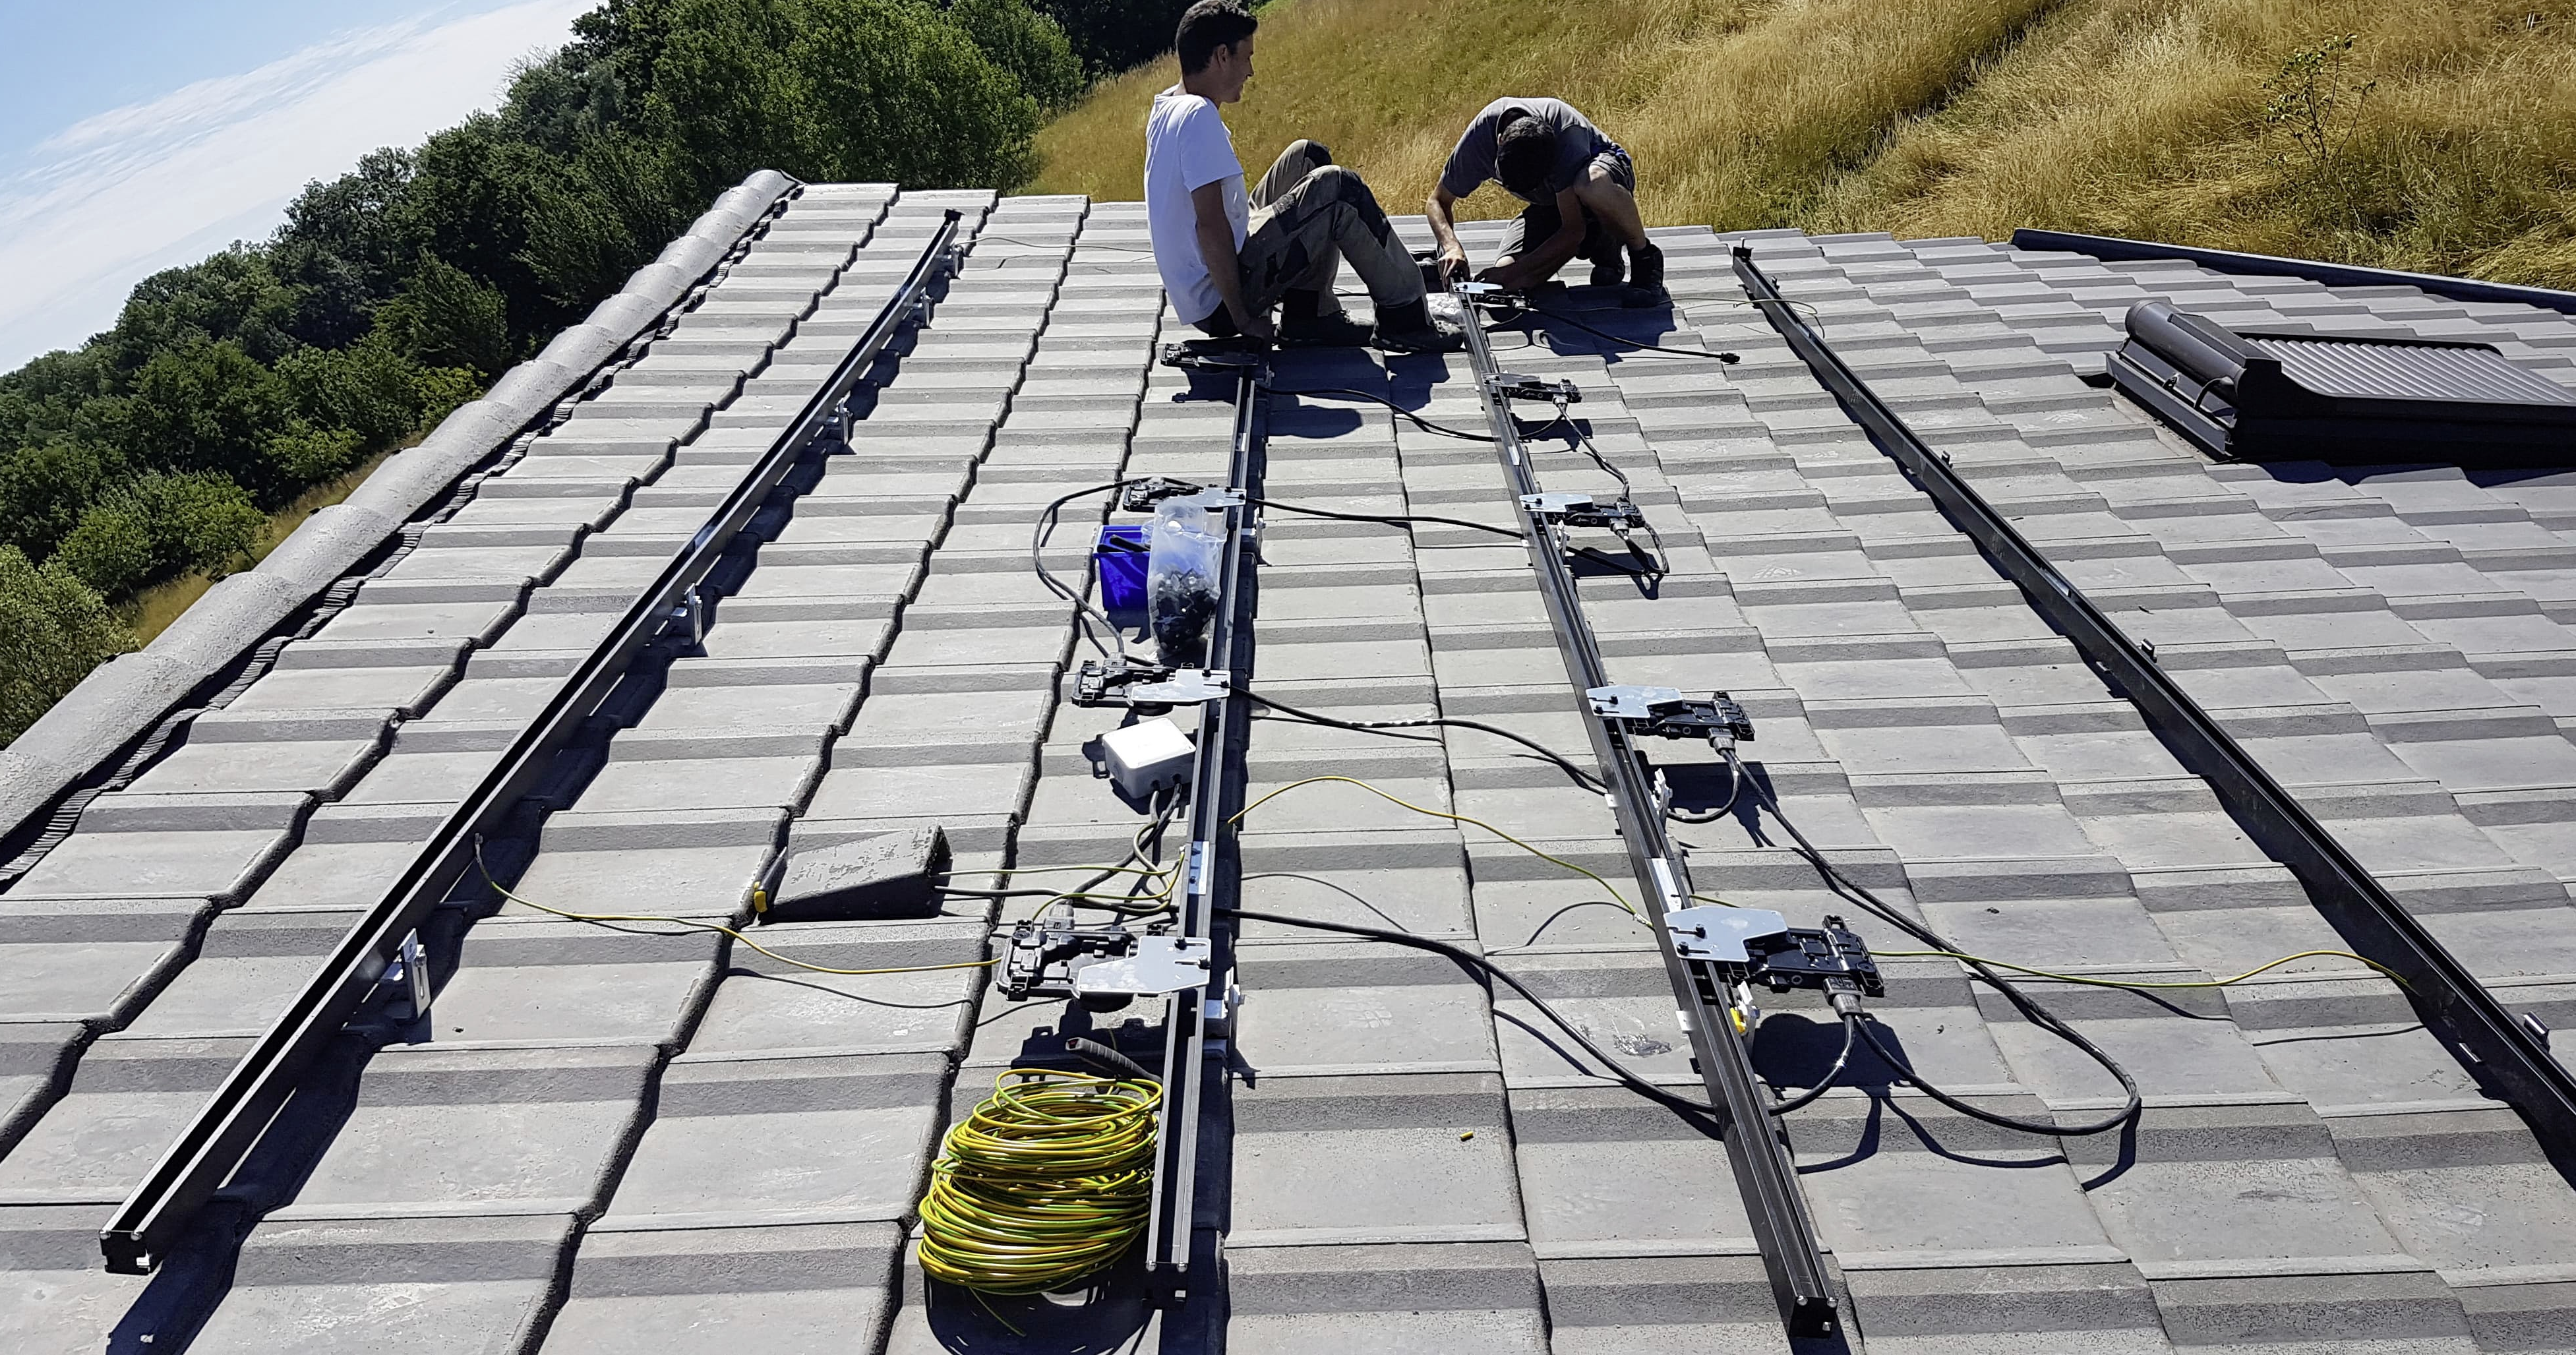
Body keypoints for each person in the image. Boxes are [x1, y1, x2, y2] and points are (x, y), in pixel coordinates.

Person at [1144, 1, 1462, 352]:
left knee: (1308, 157)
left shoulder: (1170, 104)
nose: (1250, 71)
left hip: (1214, 279)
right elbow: (1211, 227)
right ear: (1222, 56)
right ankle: (1406, 320)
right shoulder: (1197, 116)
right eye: (1246, 56)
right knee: (1340, 188)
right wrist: (1244, 320)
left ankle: (1309, 316)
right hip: (1222, 299)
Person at [1425, 97, 1664, 303]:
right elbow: (1437, 202)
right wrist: (1452, 247)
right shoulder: (1480, 138)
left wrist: (1521, 271)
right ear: (1499, 142)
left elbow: (1573, 230)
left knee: (1591, 185)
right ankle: (1603, 243)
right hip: (1554, 204)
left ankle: (1645, 258)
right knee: (1505, 277)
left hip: (1604, 184)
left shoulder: (1565, 137)